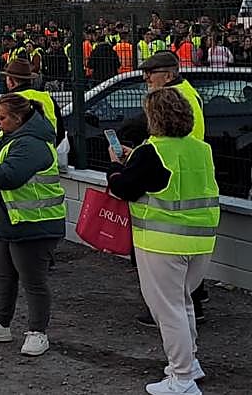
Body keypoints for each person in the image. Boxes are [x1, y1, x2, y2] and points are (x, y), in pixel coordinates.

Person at [108, 89, 219, 395]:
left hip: (162, 242)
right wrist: (134, 162)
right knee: (182, 304)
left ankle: (182, 379)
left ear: (153, 118)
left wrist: (117, 167)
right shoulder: (201, 148)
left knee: (167, 310)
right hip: (199, 241)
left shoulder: (151, 151)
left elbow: (124, 188)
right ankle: (189, 364)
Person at [0, 93, 65, 358]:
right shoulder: (11, 137)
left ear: (18, 118)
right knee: (5, 276)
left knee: (33, 281)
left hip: (34, 224)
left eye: (1, 117)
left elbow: (7, 176)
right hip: (11, 222)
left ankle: (38, 331)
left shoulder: (31, 144)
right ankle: (1, 323)